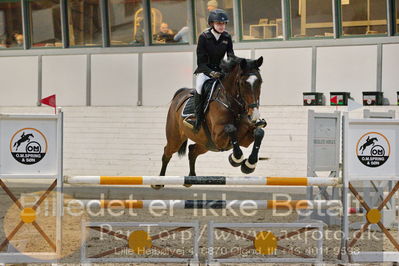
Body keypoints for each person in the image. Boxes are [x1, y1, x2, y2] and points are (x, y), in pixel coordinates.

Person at [192, 9, 235, 133]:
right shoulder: (204, 37)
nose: (222, 26)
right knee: (199, 87)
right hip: (205, 70)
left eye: (223, 24)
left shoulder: (227, 36)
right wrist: (211, 73)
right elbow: (201, 62)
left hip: (221, 70)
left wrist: (235, 66)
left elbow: (231, 56)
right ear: (212, 24)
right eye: (218, 24)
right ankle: (198, 118)